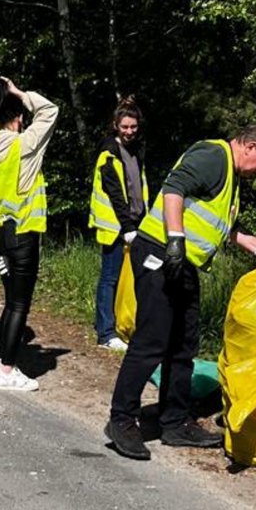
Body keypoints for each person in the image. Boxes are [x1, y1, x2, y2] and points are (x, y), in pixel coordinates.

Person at [105, 122, 256, 460]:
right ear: (250, 146)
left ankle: (174, 421)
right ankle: (122, 419)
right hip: (161, 252)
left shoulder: (230, 175)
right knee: (152, 341)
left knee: (183, 344)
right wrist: (175, 240)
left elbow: (222, 227)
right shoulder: (213, 156)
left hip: (181, 261)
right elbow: (174, 190)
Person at [0, 77, 59, 391]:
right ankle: (7, 371)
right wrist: (19, 92)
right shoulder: (22, 144)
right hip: (23, 230)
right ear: (19, 116)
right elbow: (50, 111)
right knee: (18, 304)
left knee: (11, 302)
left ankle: (6, 364)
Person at [91, 97, 148, 352]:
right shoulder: (108, 152)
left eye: (133, 127)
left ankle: (126, 326)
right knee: (110, 278)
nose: (129, 131)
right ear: (115, 125)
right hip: (115, 227)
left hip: (135, 224)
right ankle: (105, 333)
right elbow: (115, 192)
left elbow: (138, 187)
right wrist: (127, 227)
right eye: (124, 127)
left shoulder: (137, 149)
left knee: (133, 279)